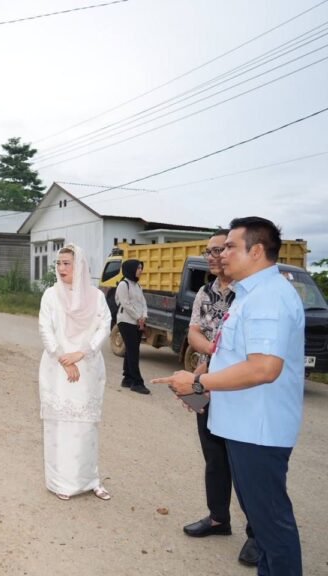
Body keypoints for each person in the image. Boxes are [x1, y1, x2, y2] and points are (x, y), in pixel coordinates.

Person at [153, 217, 304, 574]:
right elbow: (232, 352)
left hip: (258, 429)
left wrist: (200, 385)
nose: (222, 253)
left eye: (230, 246)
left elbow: (264, 368)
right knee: (267, 530)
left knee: (271, 526)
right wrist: (199, 377)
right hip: (242, 425)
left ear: (256, 250)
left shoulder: (268, 297)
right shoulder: (249, 293)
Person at [182, 230, 259, 567]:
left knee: (245, 462)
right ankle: (218, 519)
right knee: (212, 453)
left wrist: (221, 359)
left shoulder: (248, 294)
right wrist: (213, 351)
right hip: (206, 378)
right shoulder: (205, 291)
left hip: (238, 384)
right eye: (209, 250)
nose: (212, 256)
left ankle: (259, 533)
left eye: (219, 249)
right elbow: (193, 332)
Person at [38, 245, 112, 501]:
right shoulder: (50, 295)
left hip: (88, 366)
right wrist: (63, 358)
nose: (61, 269)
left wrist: (82, 353)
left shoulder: (96, 296)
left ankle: (90, 480)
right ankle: (61, 482)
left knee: (86, 427)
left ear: (79, 265)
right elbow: (45, 328)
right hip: (57, 368)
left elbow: (104, 326)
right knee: (60, 426)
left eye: (67, 263)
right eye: (58, 263)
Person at [116, 259, 150, 394]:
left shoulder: (137, 286)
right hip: (125, 321)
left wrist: (144, 316)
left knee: (132, 350)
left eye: (141, 268)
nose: (141, 271)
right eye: (138, 268)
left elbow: (143, 302)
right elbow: (125, 304)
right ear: (131, 269)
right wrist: (139, 317)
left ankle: (127, 378)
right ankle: (137, 382)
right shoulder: (124, 285)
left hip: (137, 322)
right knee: (133, 351)